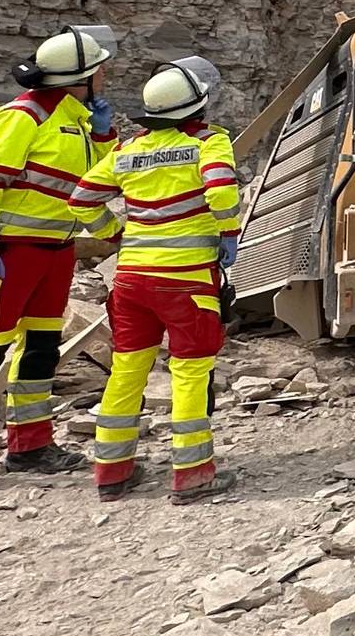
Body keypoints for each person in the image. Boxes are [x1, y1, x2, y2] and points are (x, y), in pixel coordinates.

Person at [0, 27, 116, 502]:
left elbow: (89, 181)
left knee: (40, 350)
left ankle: (30, 447)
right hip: (8, 253)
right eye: (99, 70)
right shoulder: (21, 117)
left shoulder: (75, 117)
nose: (106, 75)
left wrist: (104, 135)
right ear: (82, 77)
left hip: (53, 251)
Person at [68, 59, 237, 503]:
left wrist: (115, 233)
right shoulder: (207, 142)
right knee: (189, 372)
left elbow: (82, 198)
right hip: (185, 283)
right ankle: (193, 473)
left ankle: (112, 471)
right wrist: (229, 233)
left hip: (131, 282)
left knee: (126, 371)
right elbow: (220, 189)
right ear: (198, 105)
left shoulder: (129, 149)